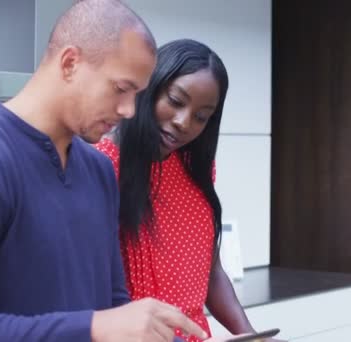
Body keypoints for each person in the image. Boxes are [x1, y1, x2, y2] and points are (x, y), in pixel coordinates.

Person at [0, 1, 209, 341]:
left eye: (137, 95)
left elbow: (113, 306)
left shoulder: (98, 170)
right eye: (120, 89)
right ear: (70, 63)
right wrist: (95, 327)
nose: (129, 110)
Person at [95, 39, 283, 342]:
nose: (184, 123)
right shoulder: (103, 166)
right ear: (150, 88)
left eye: (201, 117)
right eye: (176, 100)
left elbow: (211, 273)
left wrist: (251, 337)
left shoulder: (194, 168)